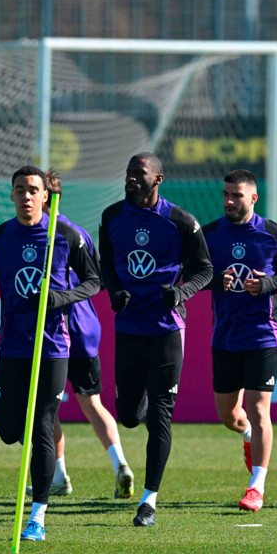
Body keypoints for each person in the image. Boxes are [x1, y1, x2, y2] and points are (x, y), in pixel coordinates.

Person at [0, 165, 100, 542]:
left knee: (42, 425)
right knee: (10, 430)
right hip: (12, 346)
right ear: (11, 195)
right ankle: (34, 471)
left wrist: (61, 297)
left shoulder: (67, 235)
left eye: (33, 190)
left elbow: (94, 281)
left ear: (47, 196)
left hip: (54, 348)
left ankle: (38, 517)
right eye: (19, 190)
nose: (26, 196)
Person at [99, 152, 213, 527]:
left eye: (139, 173)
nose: (131, 178)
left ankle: (148, 501)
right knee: (129, 416)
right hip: (128, 329)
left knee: (160, 416)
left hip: (167, 330)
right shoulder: (112, 217)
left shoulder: (181, 221)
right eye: (129, 172)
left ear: (157, 179)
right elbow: (105, 265)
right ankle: (143, 407)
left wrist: (180, 293)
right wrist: (114, 292)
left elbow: (205, 270)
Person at [202, 169, 277, 512]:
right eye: (226, 194)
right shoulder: (210, 234)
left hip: (263, 335)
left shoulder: (273, 233)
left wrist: (268, 284)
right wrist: (216, 281)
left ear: (253, 198)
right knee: (229, 416)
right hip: (225, 336)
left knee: (260, 408)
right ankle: (248, 437)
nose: (230, 201)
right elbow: (194, 274)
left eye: (237, 195)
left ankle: (256, 486)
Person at [27, 170, 134, 500]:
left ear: (45, 196)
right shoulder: (80, 233)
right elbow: (97, 279)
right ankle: (120, 464)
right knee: (93, 404)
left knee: (44, 411)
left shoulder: (39, 235)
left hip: (54, 333)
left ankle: (58, 475)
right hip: (86, 330)